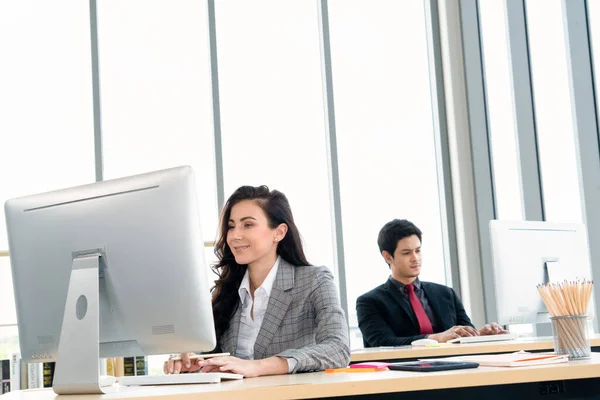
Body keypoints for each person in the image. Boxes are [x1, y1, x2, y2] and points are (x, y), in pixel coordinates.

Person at [165, 185, 350, 377]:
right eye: (231, 226)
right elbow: (221, 362)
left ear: (279, 232)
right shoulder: (227, 291)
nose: (235, 235)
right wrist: (196, 362)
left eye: (248, 225)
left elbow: (338, 348)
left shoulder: (314, 281)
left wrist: (258, 367)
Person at [357, 219, 508, 347]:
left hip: (454, 368)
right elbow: (383, 342)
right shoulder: (370, 302)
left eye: (418, 250)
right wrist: (437, 338)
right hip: (401, 373)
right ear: (388, 257)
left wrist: (481, 334)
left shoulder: (445, 293)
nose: (415, 258)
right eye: (406, 253)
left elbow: (463, 334)